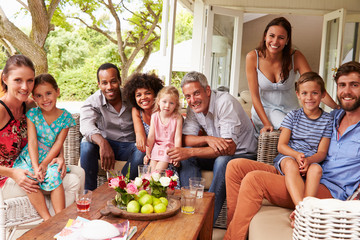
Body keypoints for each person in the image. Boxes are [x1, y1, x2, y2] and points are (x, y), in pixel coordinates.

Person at [224, 61, 360, 240]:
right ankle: (236, 231)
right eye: (342, 85)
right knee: (235, 167)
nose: (347, 91)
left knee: (254, 181)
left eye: (355, 85)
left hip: (328, 189)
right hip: (299, 171)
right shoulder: (333, 117)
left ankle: (232, 238)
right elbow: (312, 97)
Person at [167, 71, 257, 224]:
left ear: (207, 90)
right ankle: (190, 209)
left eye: (196, 93)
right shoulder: (193, 107)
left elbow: (229, 149)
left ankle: (205, 222)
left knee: (221, 160)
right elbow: (185, 138)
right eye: (188, 96)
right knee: (186, 157)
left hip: (243, 154)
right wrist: (207, 139)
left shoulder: (225, 102)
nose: (192, 100)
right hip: (219, 153)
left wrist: (190, 151)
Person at [0, 55, 84, 217]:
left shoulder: (30, 106)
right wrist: (12, 173)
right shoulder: (1, 111)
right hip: (6, 175)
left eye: (30, 80)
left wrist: (60, 157)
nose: (25, 87)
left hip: (32, 163)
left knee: (79, 172)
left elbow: (51, 135)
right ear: (5, 78)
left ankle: (60, 224)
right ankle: (51, 223)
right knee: (71, 181)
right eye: (18, 80)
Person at [247, 17, 338, 134]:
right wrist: (266, 123)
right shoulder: (253, 57)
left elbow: (314, 85)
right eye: (271, 36)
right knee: (295, 130)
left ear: (287, 40)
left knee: (316, 129)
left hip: (292, 111)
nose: (275, 41)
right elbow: (255, 96)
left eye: (281, 37)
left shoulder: (296, 56)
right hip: (265, 111)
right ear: (265, 36)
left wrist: (336, 107)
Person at [12, 73, 75, 220]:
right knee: (30, 178)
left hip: (50, 157)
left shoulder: (65, 117)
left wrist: (45, 164)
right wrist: (35, 166)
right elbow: (32, 141)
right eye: (39, 96)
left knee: (55, 176)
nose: (44, 99)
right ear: (33, 98)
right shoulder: (32, 114)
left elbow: (59, 143)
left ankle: (60, 219)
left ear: (57, 92)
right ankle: (47, 220)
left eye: (48, 93)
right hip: (30, 157)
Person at [274, 72, 332, 225]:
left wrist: (308, 160)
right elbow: (281, 146)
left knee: (317, 170)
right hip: (289, 156)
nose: (309, 98)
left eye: (314, 93)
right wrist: (297, 155)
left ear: (323, 94)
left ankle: (306, 208)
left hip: (311, 160)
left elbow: (322, 152)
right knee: (291, 164)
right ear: (298, 95)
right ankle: (301, 210)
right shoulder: (292, 116)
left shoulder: (328, 120)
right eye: (304, 93)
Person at [80, 63, 144, 191]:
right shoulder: (92, 102)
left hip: (130, 146)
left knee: (142, 150)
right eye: (104, 83)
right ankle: (89, 193)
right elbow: (86, 126)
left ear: (120, 81)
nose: (109, 87)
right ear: (99, 84)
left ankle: (121, 189)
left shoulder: (132, 97)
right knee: (86, 145)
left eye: (113, 82)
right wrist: (103, 143)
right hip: (107, 143)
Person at [144, 86, 183, 171]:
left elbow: (177, 138)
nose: (167, 106)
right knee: (150, 169)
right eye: (164, 102)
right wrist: (147, 153)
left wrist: (177, 155)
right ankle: (149, 183)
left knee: (158, 171)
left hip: (169, 150)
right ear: (158, 102)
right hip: (156, 147)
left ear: (176, 105)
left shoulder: (177, 118)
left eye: (171, 103)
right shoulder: (155, 116)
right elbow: (151, 137)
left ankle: (154, 182)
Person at [124, 73, 164, 153]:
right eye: (138, 95)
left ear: (156, 94)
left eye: (148, 93)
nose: (143, 98)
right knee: (139, 152)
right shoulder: (137, 110)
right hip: (148, 149)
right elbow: (140, 138)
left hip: (164, 148)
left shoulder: (163, 110)